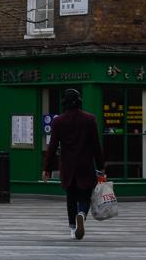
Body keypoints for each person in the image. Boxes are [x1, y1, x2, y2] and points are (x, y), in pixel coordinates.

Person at [42, 88, 106, 240]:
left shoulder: (58, 121)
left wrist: (47, 168)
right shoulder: (90, 119)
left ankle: (72, 227)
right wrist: (101, 165)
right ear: (79, 102)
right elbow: (96, 145)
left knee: (71, 197)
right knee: (85, 197)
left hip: (68, 166)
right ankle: (82, 215)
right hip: (85, 165)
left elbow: (52, 146)